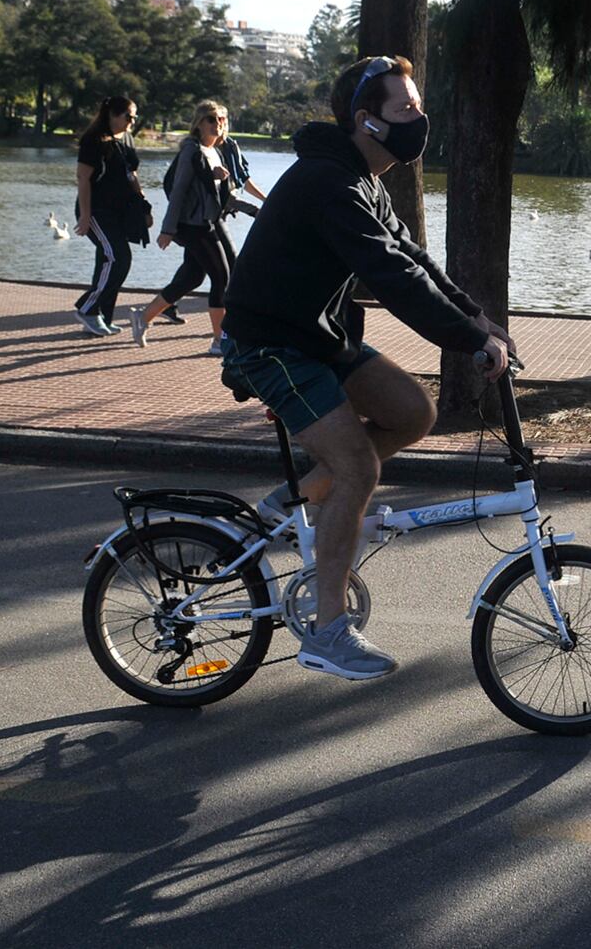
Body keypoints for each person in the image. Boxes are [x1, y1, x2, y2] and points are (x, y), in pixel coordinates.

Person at [220, 55, 513, 681]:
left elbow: (414, 258)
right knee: (359, 465)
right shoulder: (331, 182)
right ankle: (328, 633)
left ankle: (302, 495)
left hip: (316, 338)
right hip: (270, 344)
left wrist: (478, 320)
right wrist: (465, 341)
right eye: (405, 109)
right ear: (366, 121)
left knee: (415, 412)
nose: (420, 119)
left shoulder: (365, 181)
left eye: (418, 107)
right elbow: (393, 280)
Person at [130, 101, 249, 354]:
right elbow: (179, 192)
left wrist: (258, 210)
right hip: (193, 225)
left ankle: (143, 317)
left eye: (221, 120)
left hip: (213, 220)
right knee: (221, 277)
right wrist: (168, 229)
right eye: (211, 119)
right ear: (199, 123)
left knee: (193, 276)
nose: (218, 124)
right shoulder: (191, 152)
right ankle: (220, 341)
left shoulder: (215, 151)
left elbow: (222, 197)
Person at [72, 96, 148, 337]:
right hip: (95, 211)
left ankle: (102, 315)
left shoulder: (126, 138)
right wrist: (85, 216)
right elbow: (83, 179)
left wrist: (144, 206)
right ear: (113, 114)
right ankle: (88, 308)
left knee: (108, 259)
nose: (132, 121)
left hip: (118, 212)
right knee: (119, 258)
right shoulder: (94, 140)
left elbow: (131, 173)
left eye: (134, 117)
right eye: (128, 116)